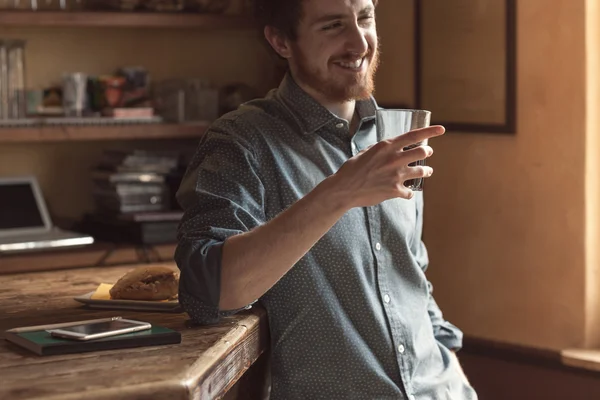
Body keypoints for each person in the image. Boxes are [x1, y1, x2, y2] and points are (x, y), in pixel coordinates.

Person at [175, 0, 478, 398]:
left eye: (365, 18)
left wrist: (451, 365)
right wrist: (341, 191)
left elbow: (412, 273)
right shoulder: (242, 142)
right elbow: (208, 294)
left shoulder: (393, 135)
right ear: (281, 41)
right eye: (333, 25)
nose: (359, 42)